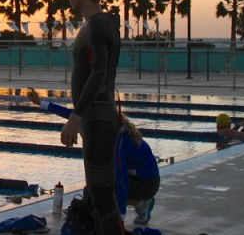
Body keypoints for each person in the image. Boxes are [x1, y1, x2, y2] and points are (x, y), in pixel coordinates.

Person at [60, 0, 125, 235]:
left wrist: (76, 116)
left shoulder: (97, 24)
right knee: (99, 199)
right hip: (99, 118)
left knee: (104, 201)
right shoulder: (101, 23)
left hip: (97, 118)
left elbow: (98, 73)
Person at [28, 89, 160, 224]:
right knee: (90, 191)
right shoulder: (103, 125)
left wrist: (120, 219)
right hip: (135, 177)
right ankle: (89, 209)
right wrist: (39, 102)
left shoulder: (116, 140)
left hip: (147, 183)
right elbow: (68, 114)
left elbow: (122, 181)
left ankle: (142, 203)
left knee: (99, 191)